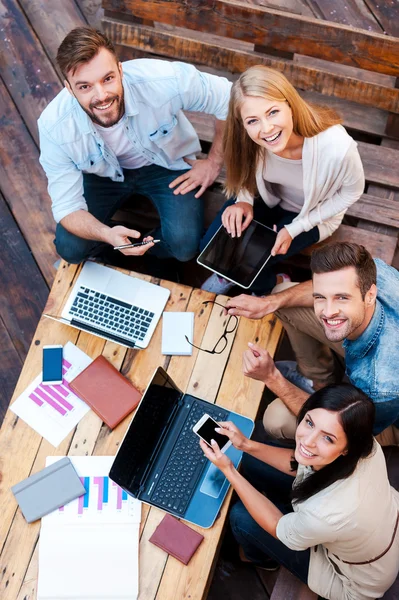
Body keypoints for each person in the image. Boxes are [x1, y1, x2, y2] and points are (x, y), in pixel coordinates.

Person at [38, 27, 232, 264]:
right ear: (69, 88)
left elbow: (228, 98)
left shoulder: (162, 80)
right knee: (70, 248)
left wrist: (213, 163)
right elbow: (67, 207)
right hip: (102, 177)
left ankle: (137, 254)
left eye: (108, 79)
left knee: (184, 247)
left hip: (165, 164)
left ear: (121, 69)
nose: (102, 96)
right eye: (85, 86)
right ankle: (114, 249)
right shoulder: (53, 126)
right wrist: (107, 235)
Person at [200, 385, 399, 600]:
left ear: (346, 449)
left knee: (240, 517)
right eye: (310, 422)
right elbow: (299, 465)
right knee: (250, 460)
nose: (308, 441)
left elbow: (278, 526)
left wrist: (228, 469)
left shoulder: (325, 514)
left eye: (328, 438)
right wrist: (246, 445)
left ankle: (264, 561)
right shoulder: (366, 447)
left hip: (353, 579)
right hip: (374, 529)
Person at [200, 65, 364, 295]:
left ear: (290, 103)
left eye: (272, 112)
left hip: (311, 215)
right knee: (211, 248)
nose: (266, 129)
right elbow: (246, 171)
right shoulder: (248, 138)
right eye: (253, 120)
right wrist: (244, 200)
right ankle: (227, 275)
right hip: (268, 199)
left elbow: (353, 192)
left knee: (252, 263)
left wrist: (295, 228)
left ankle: (274, 284)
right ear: (243, 124)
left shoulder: (337, 146)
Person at [224, 242, 399, 444]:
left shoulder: (383, 385)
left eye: (342, 297)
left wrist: (272, 378)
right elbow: (327, 288)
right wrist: (267, 303)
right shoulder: (373, 270)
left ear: (370, 295)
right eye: (320, 297)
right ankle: (318, 382)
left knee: (276, 419)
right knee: (282, 293)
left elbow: (350, 432)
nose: (327, 311)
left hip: (380, 422)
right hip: (367, 347)